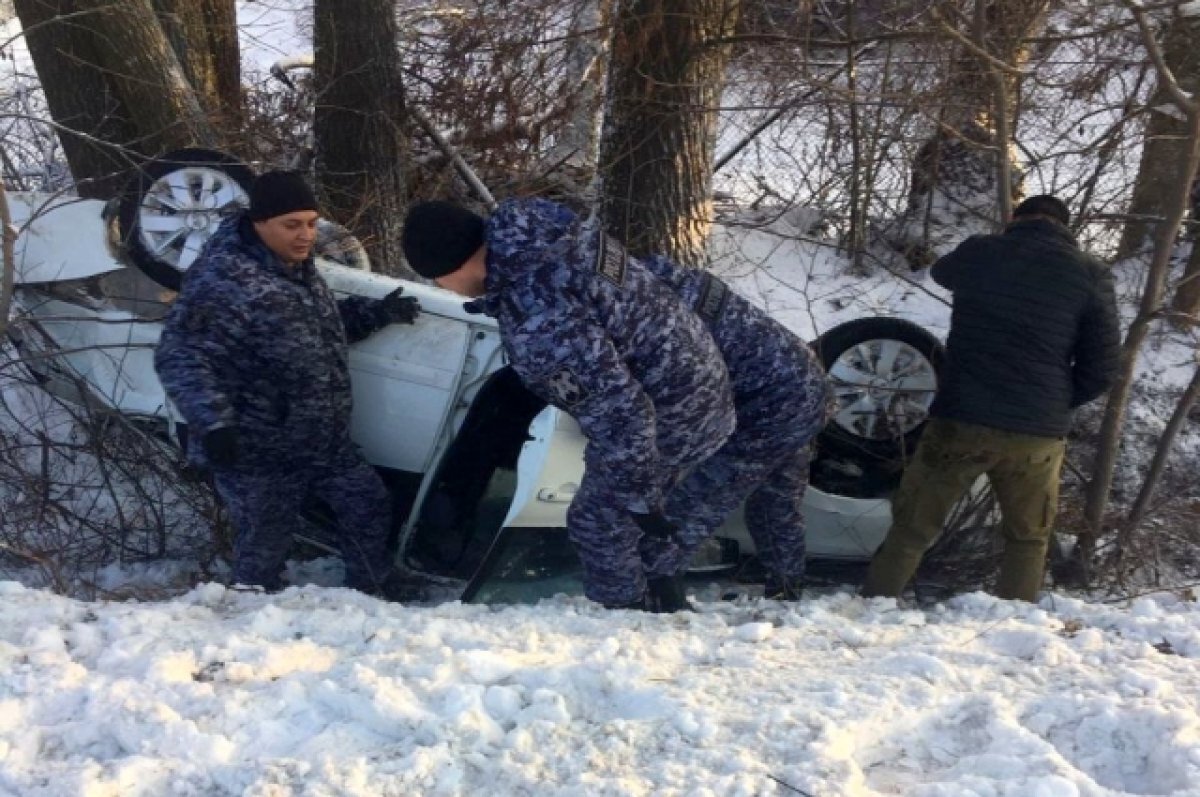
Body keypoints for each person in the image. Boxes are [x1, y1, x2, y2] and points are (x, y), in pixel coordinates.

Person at [401, 198, 737, 611]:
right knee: (628, 516)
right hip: (698, 372)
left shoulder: (539, 321)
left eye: (437, 279)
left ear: (448, 267)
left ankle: (627, 626)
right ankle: (661, 593)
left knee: (599, 524)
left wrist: (638, 495)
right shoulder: (533, 228)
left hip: (678, 412)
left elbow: (621, 413)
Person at [155, 170, 422, 598]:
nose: (306, 235)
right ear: (259, 222)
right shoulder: (223, 281)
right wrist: (214, 423)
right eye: (292, 225)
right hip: (258, 447)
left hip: (321, 439)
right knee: (264, 543)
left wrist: (375, 315)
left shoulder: (296, 270)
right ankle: (250, 621)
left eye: (312, 223)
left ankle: (370, 592)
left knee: (367, 504)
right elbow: (181, 354)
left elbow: (311, 331)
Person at [861, 195, 1120, 602]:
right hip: (1037, 434)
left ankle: (871, 607)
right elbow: (1103, 367)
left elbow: (942, 273)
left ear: (1014, 218)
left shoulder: (981, 251)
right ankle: (1013, 623)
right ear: (1068, 228)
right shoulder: (1089, 273)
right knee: (1028, 538)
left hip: (961, 418)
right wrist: (1055, 402)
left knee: (913, 527)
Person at [635, 253, 832, 600]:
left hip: (774, 402)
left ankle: (653, 584)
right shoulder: (673, 278)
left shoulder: (661, 312)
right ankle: (786, 584)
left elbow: (682, 392)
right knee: (776, 497)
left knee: (702, 495)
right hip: (803, 382)